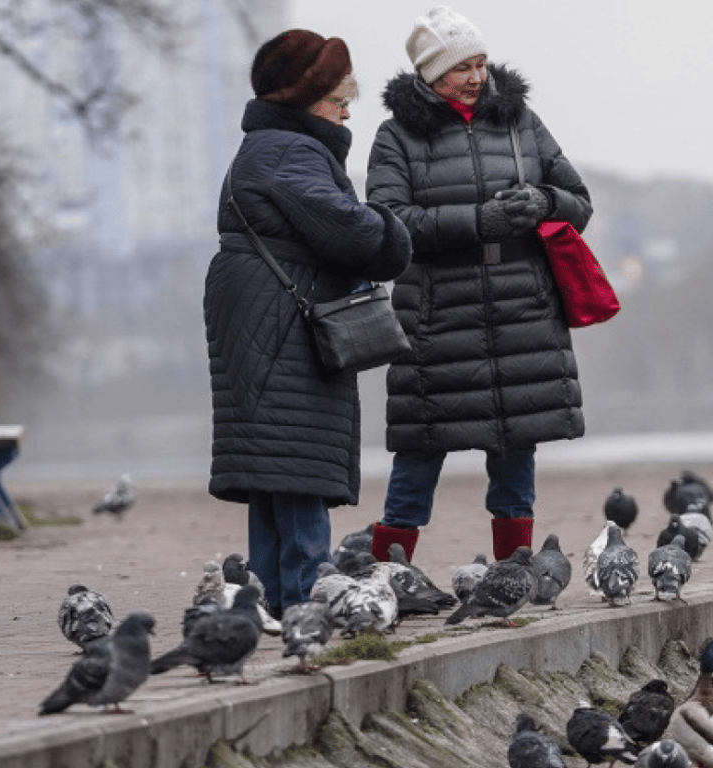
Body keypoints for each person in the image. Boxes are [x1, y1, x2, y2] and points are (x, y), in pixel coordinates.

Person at [366, 6, 592, 563]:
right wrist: (476, 221)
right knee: (421, 447)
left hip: (521, 306)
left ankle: (514, 570)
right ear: (428, 74)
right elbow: (387, 223)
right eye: (461, 67)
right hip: (437, 311)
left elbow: (579, 201)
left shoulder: (522, 121)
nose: (475, 76)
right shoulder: (394, 136)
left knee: (517, 445)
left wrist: (544, 202)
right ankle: (390, 575)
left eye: (480, 63)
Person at [204, 30, 412, 615]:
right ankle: (306, 606)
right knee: (295, 465)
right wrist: (391, 224)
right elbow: (352, 230)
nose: (347, 110)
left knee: (274, 466)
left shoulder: (269, 147)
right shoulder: (291, 151)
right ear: (306, 99)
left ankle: (266, 605)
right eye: (339, 98)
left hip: (263, 313)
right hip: (281, 322)